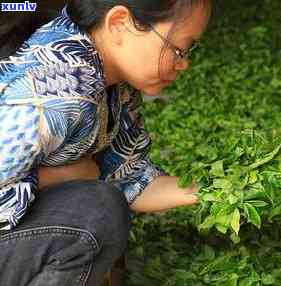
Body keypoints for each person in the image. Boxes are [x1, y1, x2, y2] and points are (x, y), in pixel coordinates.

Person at [0, 0, 212, 285]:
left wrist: (219, 191)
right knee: (96, 213)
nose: (184, 63)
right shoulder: (60, 92)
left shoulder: (115, 82)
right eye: (179, 48)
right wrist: (61, 177)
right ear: (119, 23)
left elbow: (128, 177)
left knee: (100, 206)